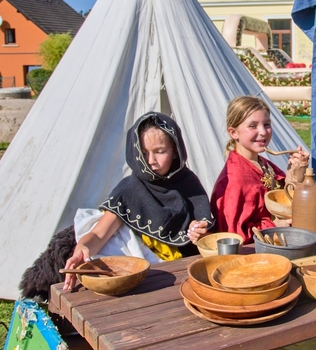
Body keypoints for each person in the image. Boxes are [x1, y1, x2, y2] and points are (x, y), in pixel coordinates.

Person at [63, 112, 213, 291]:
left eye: (160, 151)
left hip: (187, 276)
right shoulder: (130, 189)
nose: (151, 160)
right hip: (146, 283)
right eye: (144, 152)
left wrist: (198, 232)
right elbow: (99, 234)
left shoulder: (188, 183)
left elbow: (204, 231)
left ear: (175, 150)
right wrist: (82, 248)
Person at [210, 96, 310, 243]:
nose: (263, 132)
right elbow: (234, 235)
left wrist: (296, 170)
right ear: (233, 132)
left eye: (267, 124)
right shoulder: (234, 179)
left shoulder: (263, 164)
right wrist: (274, 226)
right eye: (253, 126)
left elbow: (284, 198)